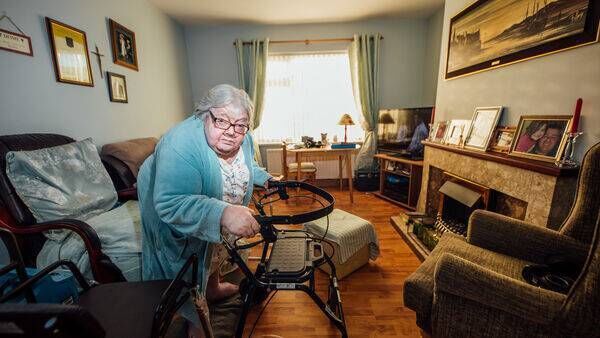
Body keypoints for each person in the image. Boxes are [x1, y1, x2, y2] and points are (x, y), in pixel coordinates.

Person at [137, 84, 272, 305]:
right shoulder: (179, 142)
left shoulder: (243, 137)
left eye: (240, 125)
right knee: (187, 256)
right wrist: (224, 213)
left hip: (214, 209)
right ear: (204, 114)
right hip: (168, 197)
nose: (231, 131)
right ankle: (194, 317)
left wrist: (266, 178)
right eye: (222, 120)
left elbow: (246, 165)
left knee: (216, 246)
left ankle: (213, 288)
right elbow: (171, 203)